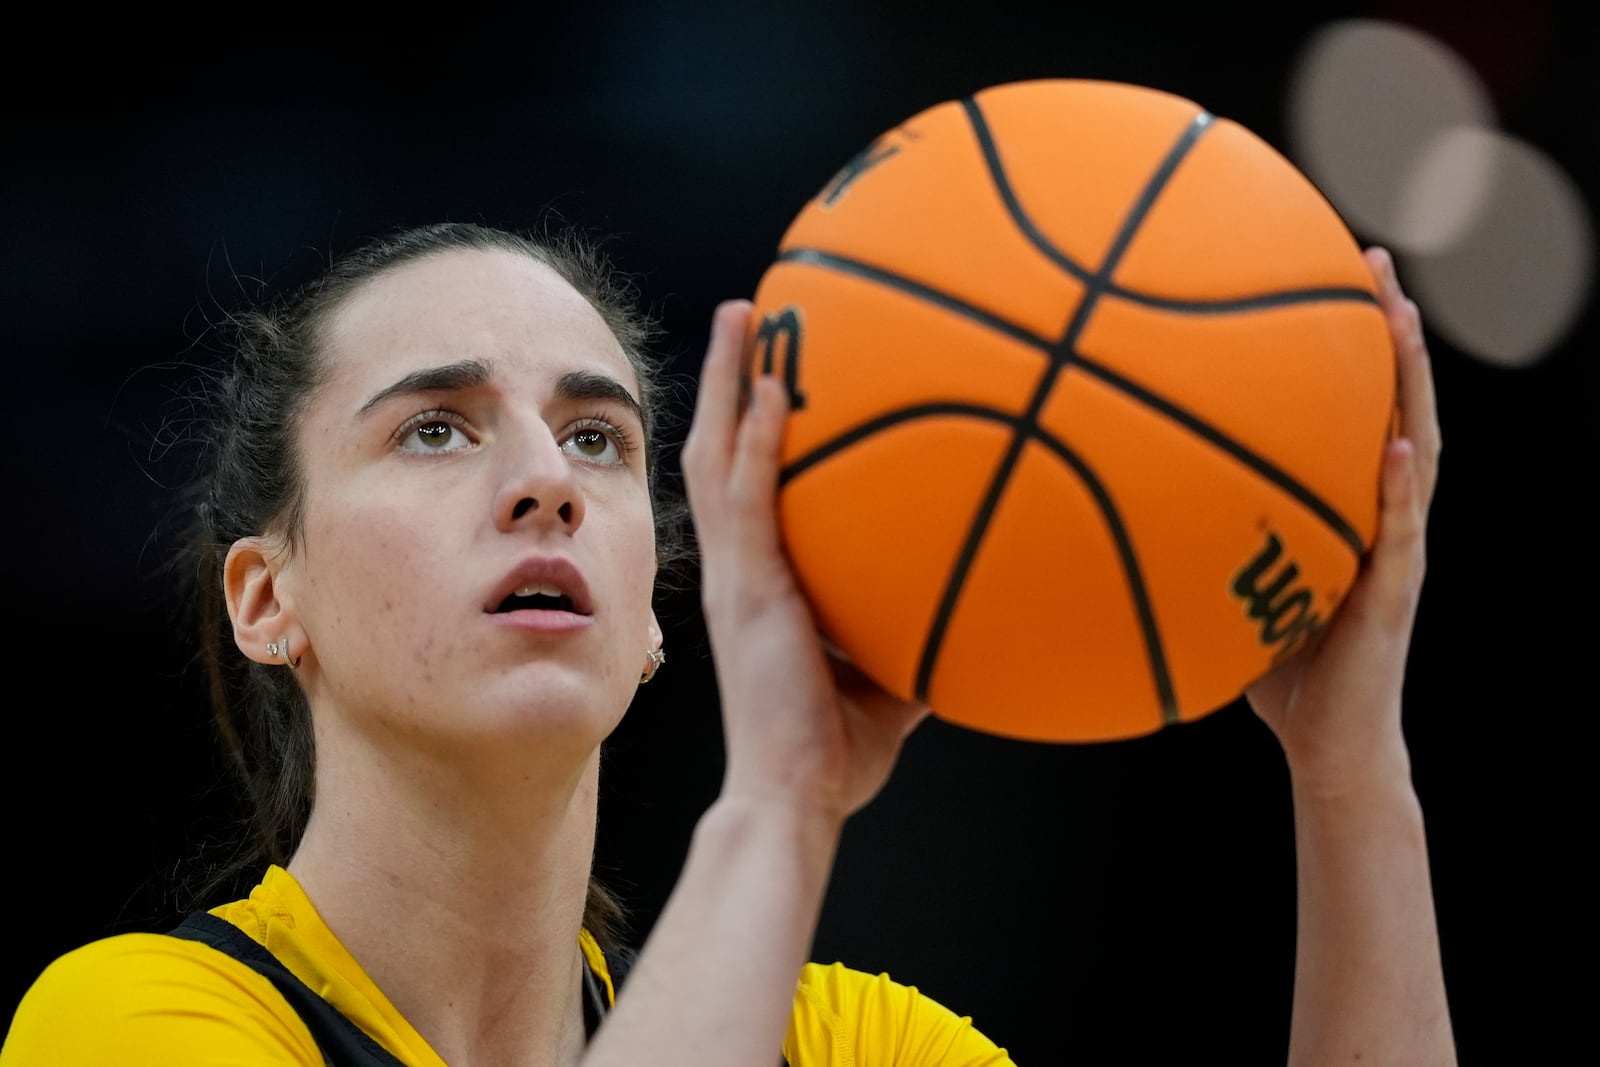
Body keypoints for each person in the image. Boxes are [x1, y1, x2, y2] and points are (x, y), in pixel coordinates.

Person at [0, 219, 1455, 1066]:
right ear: (270, 598)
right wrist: (779, 804)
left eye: (598, 437)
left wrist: (1349, 776)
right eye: (435, 428)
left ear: (651, 618)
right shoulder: (133, 1021)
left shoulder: (846, 1048)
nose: (546, 480)